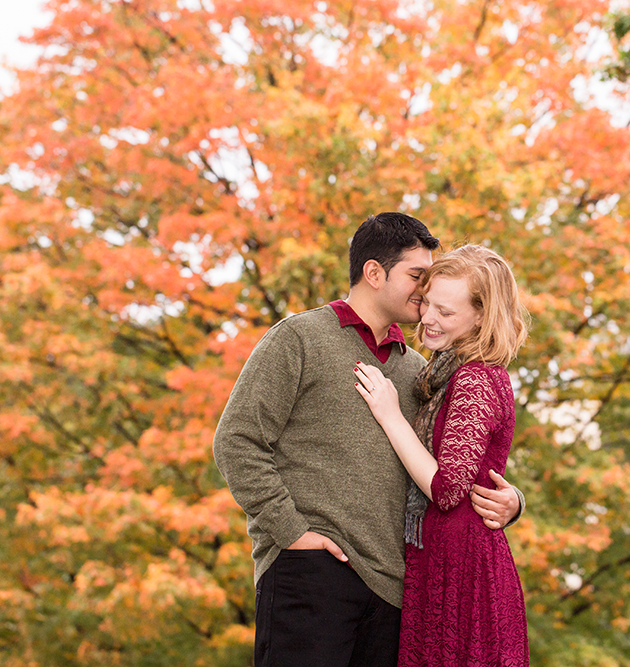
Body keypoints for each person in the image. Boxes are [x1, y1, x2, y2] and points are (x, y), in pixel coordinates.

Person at [212, 213, 524, 667]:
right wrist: (292, 532)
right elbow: (237, 442)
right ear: (374, 273)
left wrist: (512, 499)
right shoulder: (299, 338)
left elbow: (456, 463)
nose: (424, 292)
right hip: (312, 572)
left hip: (396, 591)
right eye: (417, 277)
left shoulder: (421, 370)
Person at [353, 244, 530, 666]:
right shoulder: (442, 373)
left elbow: (449, 489)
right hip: (440, 556)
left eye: (446, 312)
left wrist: (389, 413)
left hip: (461, 564)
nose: (429, 318)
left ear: (482, 316)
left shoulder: (474, 378)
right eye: (427, 302)